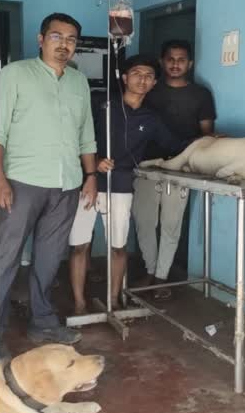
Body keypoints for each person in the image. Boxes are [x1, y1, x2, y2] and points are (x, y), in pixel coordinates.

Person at [0, 13, 98, 359]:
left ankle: (42, 321)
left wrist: (90, 177)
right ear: (41, 39)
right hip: (21, 182)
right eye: (56, 36)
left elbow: (86, 134)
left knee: (49, 258)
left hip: (66, 184)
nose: (64, 44)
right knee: (5, 258)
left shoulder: (77, 82)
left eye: (71, 39)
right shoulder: (14, 75)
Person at [68, 55, 189, 314]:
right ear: (124, 78)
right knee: (80, 246)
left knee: (119, 247)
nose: (142, 79)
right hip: (88, 182)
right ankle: (79, 303)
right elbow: (74, 135)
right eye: (136, 73)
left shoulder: (151, 119)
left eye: (148, 75)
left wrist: (207, 144)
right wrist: (95, 161)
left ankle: (113, 300)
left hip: (122, 184)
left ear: (154, 82)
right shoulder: (102, 105)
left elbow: (175, 146)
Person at [131, 40, 217, 300]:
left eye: (181, 59)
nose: (176, 63)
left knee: (171, 224)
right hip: (146, 165)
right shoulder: (149, 91)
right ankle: (149, 269)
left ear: (190, 63)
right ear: (162, 61)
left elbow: (207, 135)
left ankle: (161, 275)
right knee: (145, 221)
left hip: (182, 166)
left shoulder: (200, 94)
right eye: (170, 58)